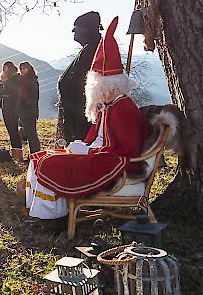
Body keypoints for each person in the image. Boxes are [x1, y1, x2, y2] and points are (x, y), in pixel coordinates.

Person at [23, 16, 148, 221]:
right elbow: (99, 137)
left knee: (50, 164)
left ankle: (51, 218)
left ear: (108, 86)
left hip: (114, 162)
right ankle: (44, 211)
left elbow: (125, 150)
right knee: (41, 157)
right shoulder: (109, 106)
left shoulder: (123, 108)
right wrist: (83, 146)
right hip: (100, 154)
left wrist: (89, 151)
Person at [57, 11, 103, 143]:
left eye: (76, 28)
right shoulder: (90, 48)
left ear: (86, 30)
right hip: (77, 112)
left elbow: (82, 82)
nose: (73, 32)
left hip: (83, 115)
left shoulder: (93, 49)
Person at [0, 61, 22, 162]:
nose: (4, 70)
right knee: (11, 130)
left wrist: (6, 93)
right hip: (5, 107)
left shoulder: (15, 78)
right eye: (3, 68)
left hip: (13, 107)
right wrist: (6, 93)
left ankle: (18, 152)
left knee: (13, 130)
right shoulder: (5, 80)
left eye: (5, 68)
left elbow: (14, 91)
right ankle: (15, 151)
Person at [17, 62, 41, 155]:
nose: (22, 70)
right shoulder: (22, 80)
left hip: (29, 111)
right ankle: (33, 154)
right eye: (21, 69)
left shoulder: (31, 80)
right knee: (29, 134)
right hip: (23, 111)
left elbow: (34, 96)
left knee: (32, 135)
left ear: (29, 69)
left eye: (24, 69)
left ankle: (35, 154)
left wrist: (26, 104)